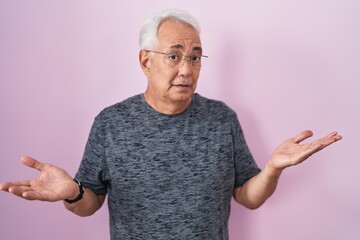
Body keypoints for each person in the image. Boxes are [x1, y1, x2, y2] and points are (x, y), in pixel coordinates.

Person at [0, 9, 342, 240]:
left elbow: (247, 197)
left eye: (195, 57)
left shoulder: (223, 119)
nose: (186, 69)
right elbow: (89, 205)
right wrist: (72, 192)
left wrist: (271, 170)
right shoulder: (110, 123)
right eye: (175, 55)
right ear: (146, 61)